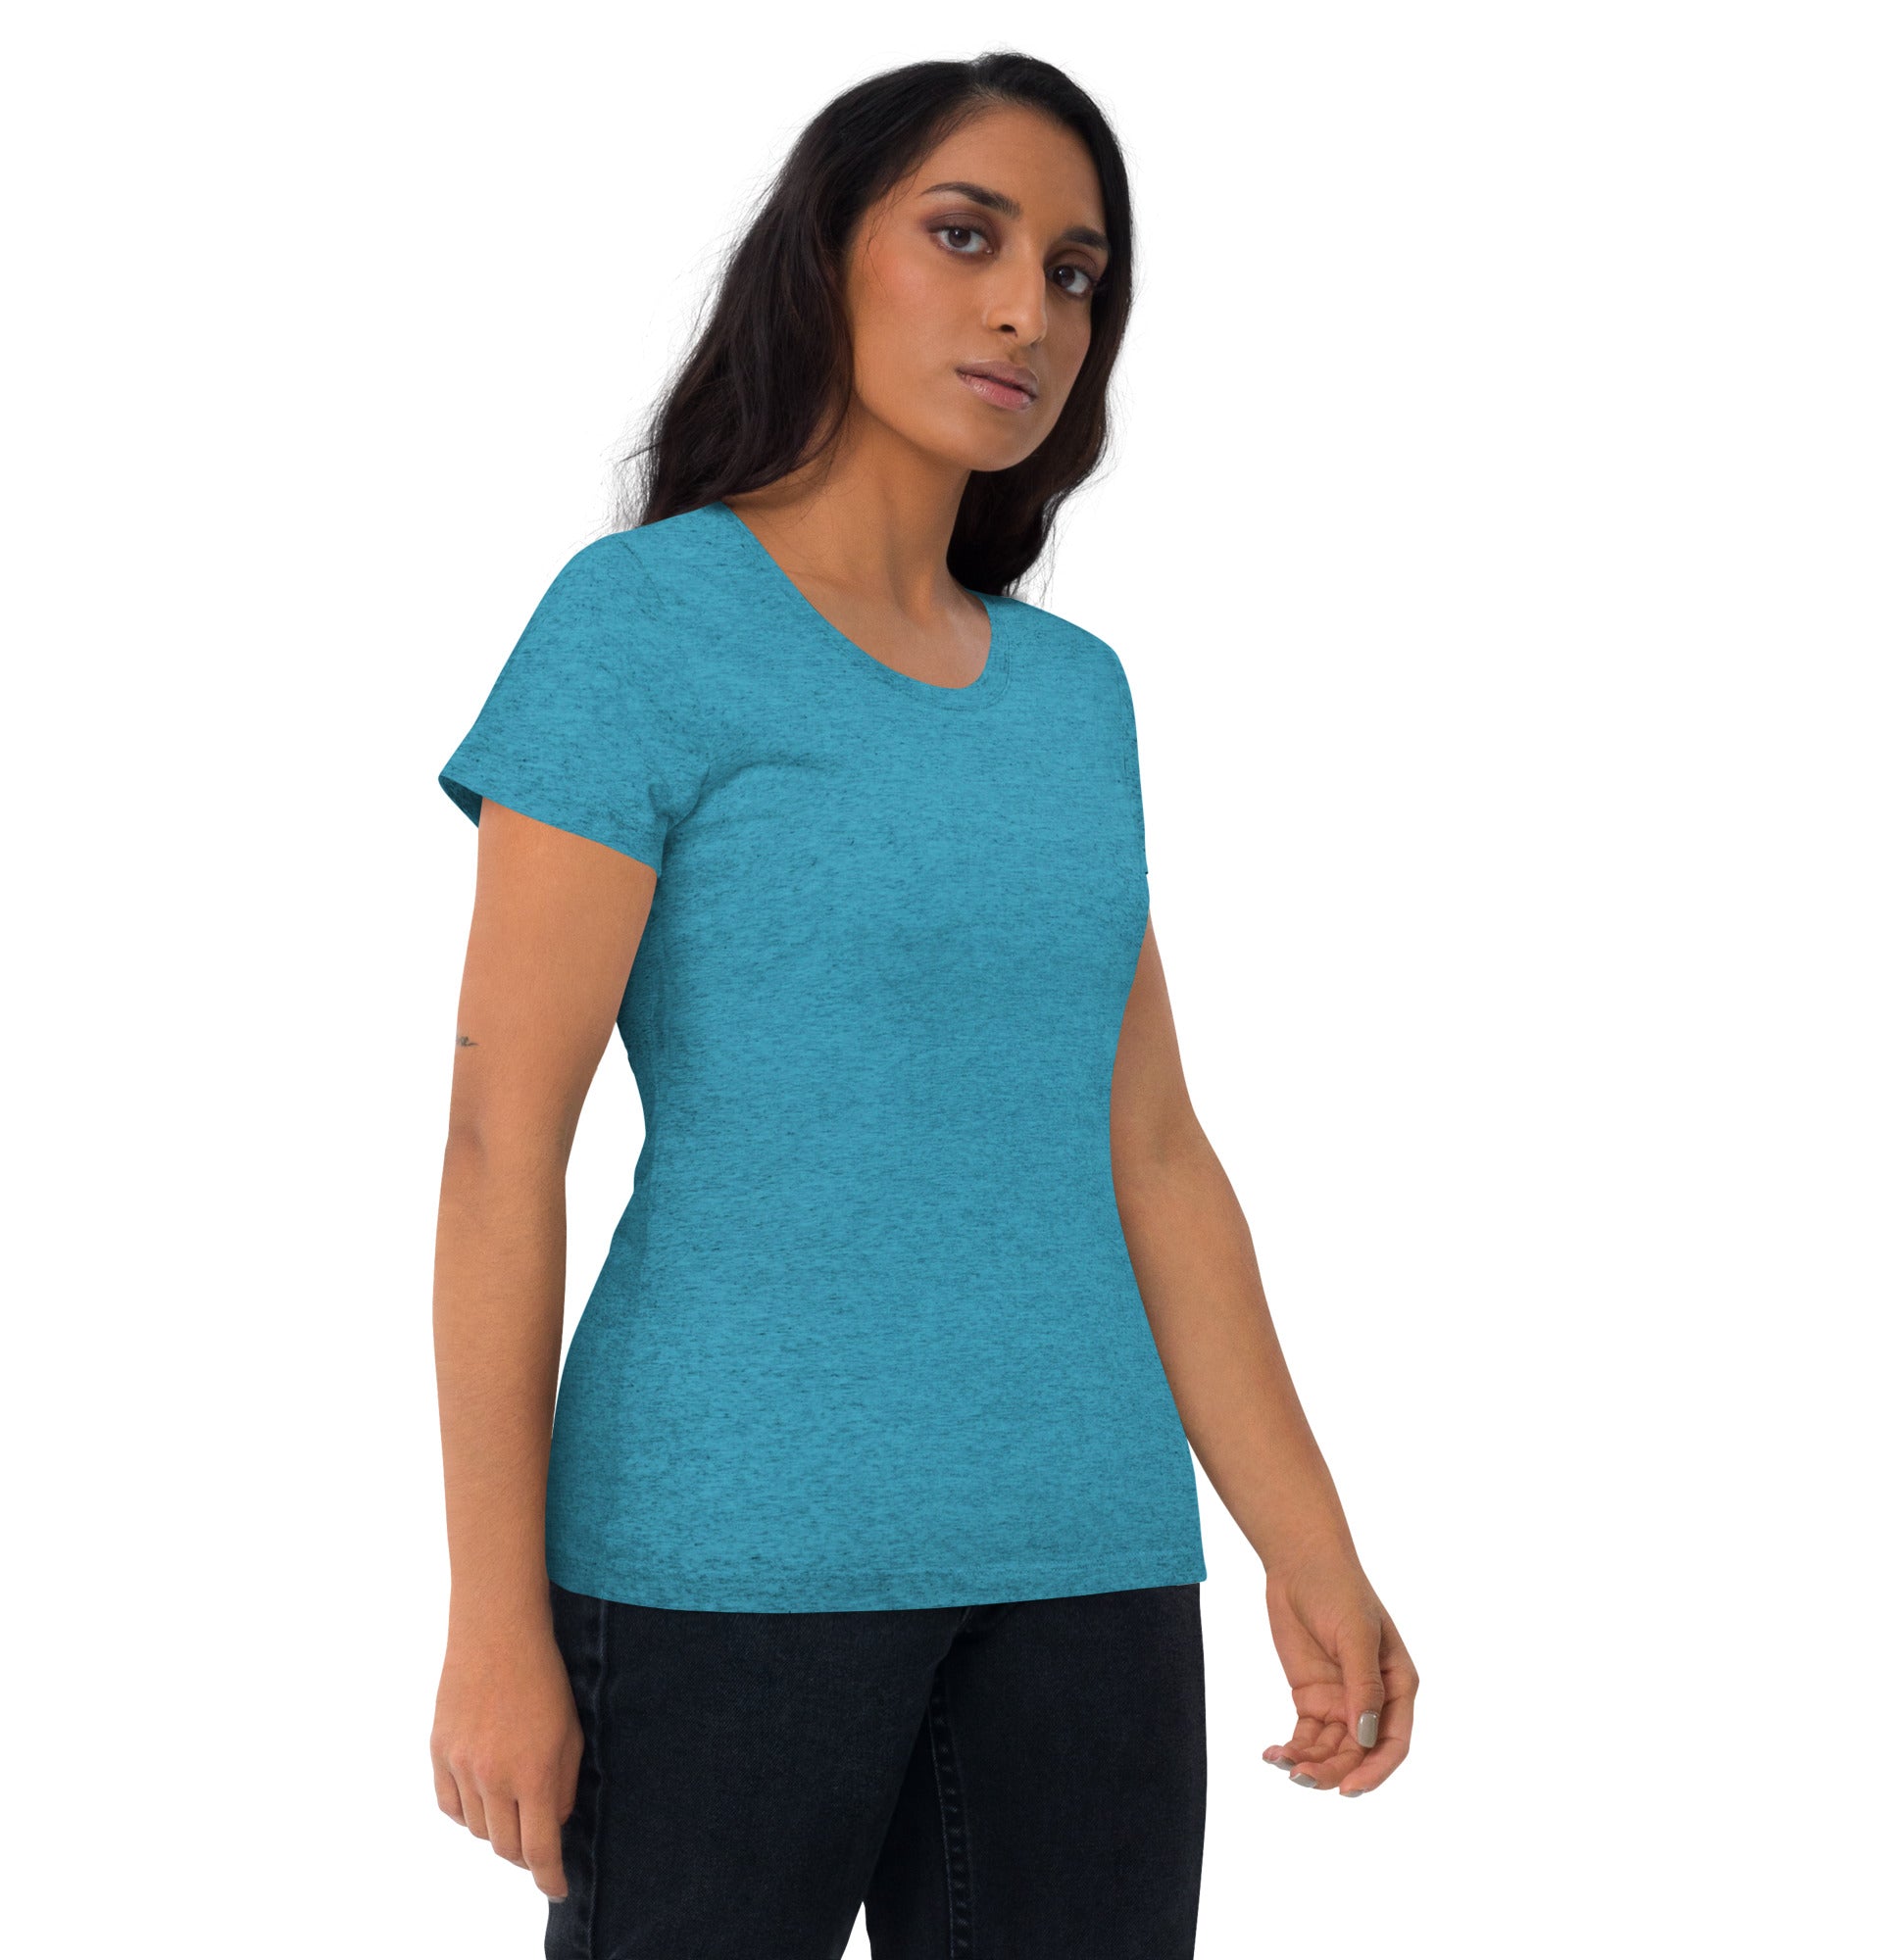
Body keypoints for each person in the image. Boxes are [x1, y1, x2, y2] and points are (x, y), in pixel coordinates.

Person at [428, 49, 1417, 1960]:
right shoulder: (640, 627)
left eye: (1074, 272)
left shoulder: (1074, 698)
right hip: (723, 1560)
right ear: (825, 254)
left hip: (1087, 1558)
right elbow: (498, 1145)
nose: (1026, 308)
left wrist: (1308, 1542)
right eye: (967, 237)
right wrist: (493, 1620)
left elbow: (1149, 1150)